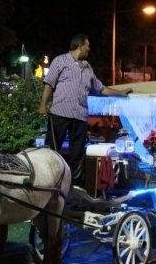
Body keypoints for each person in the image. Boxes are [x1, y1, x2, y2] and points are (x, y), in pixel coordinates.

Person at [39, 34, 132, 186]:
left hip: (80, 116)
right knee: (51, 149)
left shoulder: (87, 67)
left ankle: (73, 186)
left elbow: (100, 88)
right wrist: (43, 104)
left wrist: (120, 93)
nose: (89, 49)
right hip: (60, 112)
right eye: (87, 45)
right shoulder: (60, 60)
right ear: (80, 45)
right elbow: (49, 83)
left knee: (77, 153)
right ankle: (47, 182)